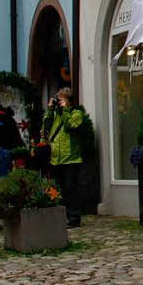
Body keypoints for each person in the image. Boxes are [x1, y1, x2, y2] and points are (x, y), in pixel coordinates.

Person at [42, 87, 86, 227]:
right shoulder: (56, 114)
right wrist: (50, 110)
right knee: (59, 189)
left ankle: (74, 218)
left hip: (71, 158)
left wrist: (65, 110)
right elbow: (46, 128)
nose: (58, 102)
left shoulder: (77, 113)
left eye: (61, 99)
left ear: (68, 100)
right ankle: (62, 216)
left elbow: (71, 125)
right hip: (56, 158)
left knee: (70, 189)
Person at [0, 104, 23, 176]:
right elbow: (17, 135)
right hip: (14, 148)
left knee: (4, 173)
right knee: (13, 172)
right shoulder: (11, 119)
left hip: (4, 148)